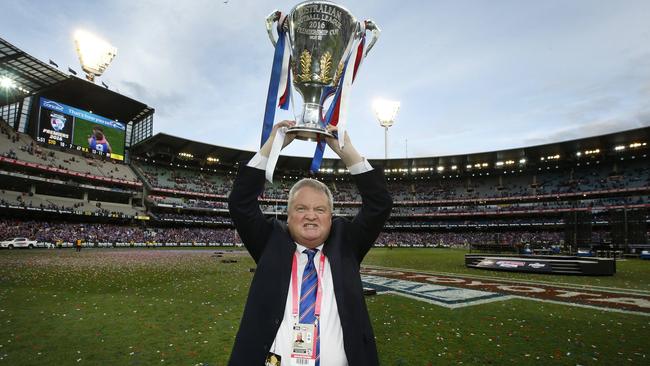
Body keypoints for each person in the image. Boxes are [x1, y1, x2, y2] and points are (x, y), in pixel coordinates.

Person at [228, 121, 392, 366]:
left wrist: (349, 153)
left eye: (320, 209)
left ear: (331, 216)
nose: (311, 215)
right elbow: (240, 203)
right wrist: (272, 146)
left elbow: (379, 205)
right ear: (288, 215)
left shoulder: (346, 243)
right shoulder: (270, 242)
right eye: (301, 208)